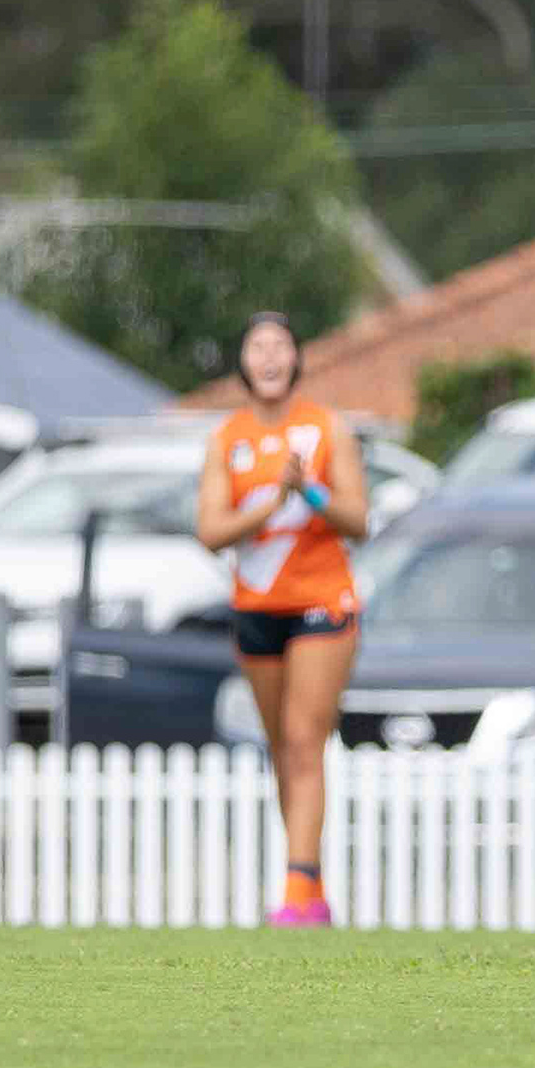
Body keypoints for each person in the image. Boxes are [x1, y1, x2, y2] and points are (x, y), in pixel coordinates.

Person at [195, 311, 369, 928]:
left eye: (280, 346)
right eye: (257, 347)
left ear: (297, 358)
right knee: (281, 748)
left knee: (303, 740)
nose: (269, 357)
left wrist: (310, 492)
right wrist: (271, 501)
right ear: (243, 362)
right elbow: (211, 531)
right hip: (256, 607)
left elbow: (358, 520)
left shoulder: (326, 428)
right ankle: (310, 886)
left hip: (321, 601)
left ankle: (297, 892)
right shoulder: (227, 438)